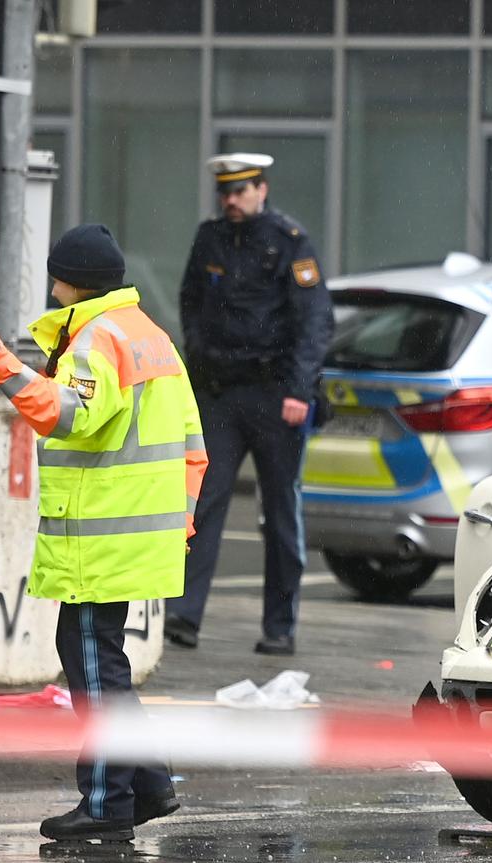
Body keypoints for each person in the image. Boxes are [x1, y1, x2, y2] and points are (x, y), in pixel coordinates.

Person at [0, 223, 207, 843]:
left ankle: (107, 804)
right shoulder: (150, 336)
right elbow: (194, 445)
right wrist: (176, 521)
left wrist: (5, 368)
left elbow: (70, 414)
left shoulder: (97, 337)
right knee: (103, 661)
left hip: (98, 540)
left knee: (93, 669)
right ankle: (151, 785)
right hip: (137, 535)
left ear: (66, 280)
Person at [168, 152, 334, 656]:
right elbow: (191, 303)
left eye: (241, 191)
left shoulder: (289, 242)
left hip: (274, 394)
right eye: (225, 191)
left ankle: (279, 626)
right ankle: (183, 615)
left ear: (262, 189)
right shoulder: (211, 237)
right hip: (221, 392)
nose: (231, 200)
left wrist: (299, 392)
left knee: (280, 513)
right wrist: (198, 364)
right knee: (204, 503)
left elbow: (314, 323)